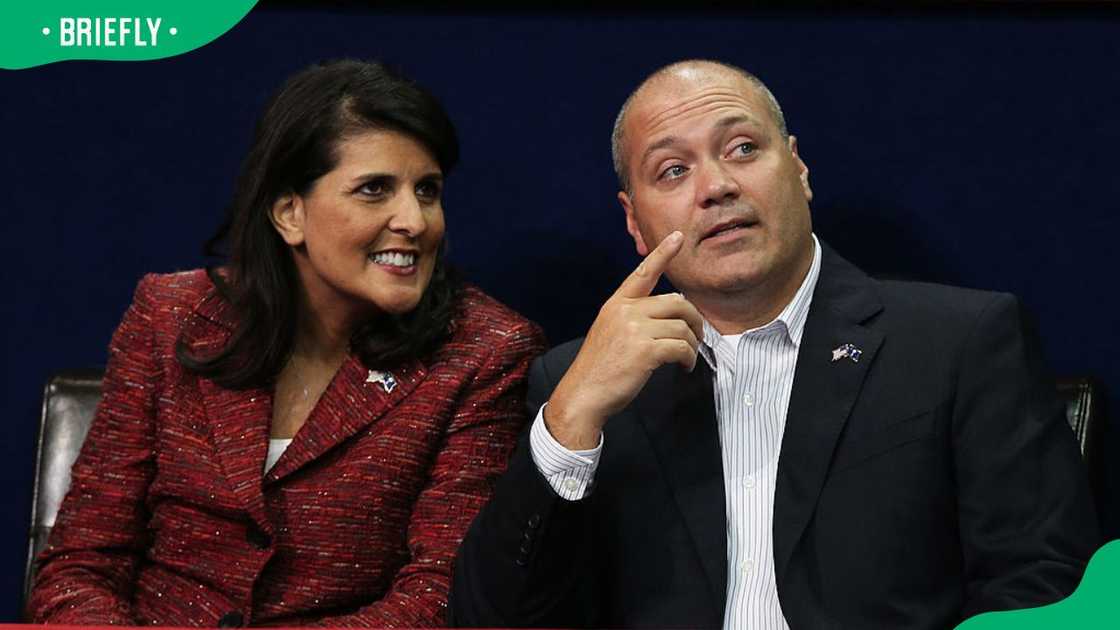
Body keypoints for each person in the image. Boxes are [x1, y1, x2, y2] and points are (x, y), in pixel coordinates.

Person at [449, 59, 1099, 629]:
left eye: (741, 149)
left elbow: (1042, 590)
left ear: (799, 169)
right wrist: (568, 424)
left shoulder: (960, 342)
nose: (716, 187)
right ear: (634, 223)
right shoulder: (580, 383)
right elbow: (498, 619)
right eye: (673, 170)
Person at [28, 59, 545, 627]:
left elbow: (438, 597)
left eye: (428, 191)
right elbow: (80, 564)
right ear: (288, 212)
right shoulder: (171, 315)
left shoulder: (484, 351)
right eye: (375, 190)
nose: (415, 221)